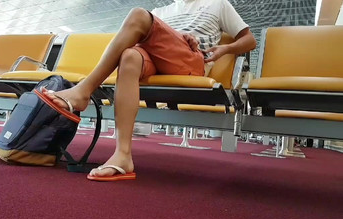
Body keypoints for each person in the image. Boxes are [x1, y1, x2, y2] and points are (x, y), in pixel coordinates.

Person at [42, 0, 256, 181]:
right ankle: (122, 155)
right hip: (155, 58)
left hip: (191, 60)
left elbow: (250, 40)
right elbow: (156, 37)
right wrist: (174, 34)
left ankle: (84, 90)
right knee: (129, 56)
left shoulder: (217, 4)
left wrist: (225, 49)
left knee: (138, 15)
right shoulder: (161, 12)